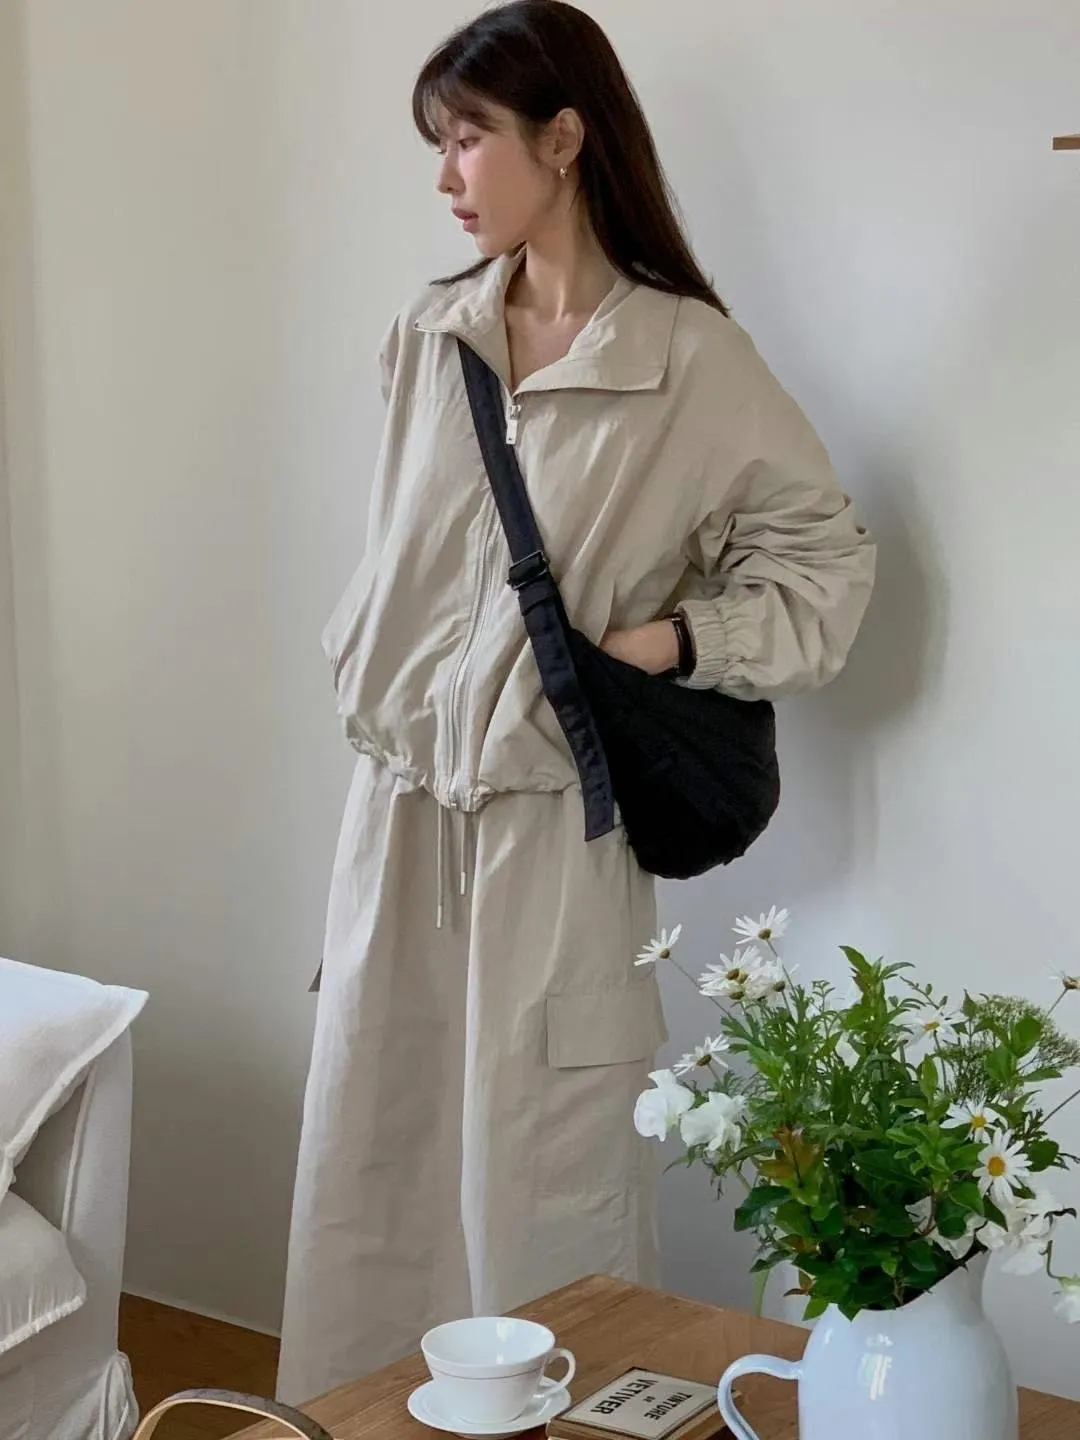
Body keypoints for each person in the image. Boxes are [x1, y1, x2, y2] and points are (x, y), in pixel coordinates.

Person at [277, 0, 875, 1404]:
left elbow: (827, 569)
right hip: (396, 825)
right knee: (369, 1193)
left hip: (557, 840)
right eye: (437, 145)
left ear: (564, 138)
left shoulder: (689, 361)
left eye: (467, 138)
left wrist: (668, 640)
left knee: (546, 1218)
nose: (445, 175)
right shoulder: (428, 336)